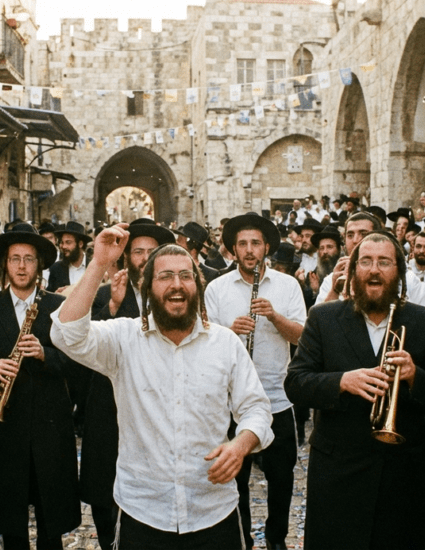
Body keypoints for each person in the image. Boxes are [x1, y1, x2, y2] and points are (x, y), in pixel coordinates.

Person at [52, 228, 273, 549]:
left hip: (213, 511)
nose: (176, 284)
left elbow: (257, 408)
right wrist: (99, 263)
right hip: (144, 513)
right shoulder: (124, 339)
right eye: (165, 276)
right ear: (147, 288)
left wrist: (241, 444)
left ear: (198, 286)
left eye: (185, 276)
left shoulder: (225, 343)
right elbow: (66, 335)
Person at [285, 231, 425, 549]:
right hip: (337, 474)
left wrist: (415, 376)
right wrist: (341, 381)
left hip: (400, 477)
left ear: (399, 272)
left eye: (384, 262)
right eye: (366, 262)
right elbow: (295, 383)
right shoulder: (323, 317)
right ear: (353, 270)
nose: (374, 270)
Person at [0, 225, 81, 550]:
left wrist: (46, 354)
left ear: (39, 265)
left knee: (51, 521)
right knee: (11, 525)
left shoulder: (59, 305)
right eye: (14, 258)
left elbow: (76, 362)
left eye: (28, 259)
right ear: (5, 264)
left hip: (49, 426)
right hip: (5, 429)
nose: (21, 266)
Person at [205, 213, 305, 550]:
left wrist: (275, 317)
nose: (249, 250)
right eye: (243, 244)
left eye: (256, 244)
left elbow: (302, 337)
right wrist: (229, 331)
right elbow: (204, 341)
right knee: (237, 480)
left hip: (277, 398)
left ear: (266, 248)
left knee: (281, 478)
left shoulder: (288, 286)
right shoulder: (216, 289)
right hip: (232, 402)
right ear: (233, 250)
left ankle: (276, 539)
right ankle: (242, 539)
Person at [82, 219, 174, 550]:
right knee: (104, 490)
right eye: (138, 251)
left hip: (157, 407)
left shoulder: (174, 294)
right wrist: (112, 308)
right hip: (109, 405)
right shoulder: (103, 294)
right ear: (127, 257)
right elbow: (82, 342)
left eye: (152, 251)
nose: (145, 258)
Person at [46, 221, 92, 293]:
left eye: (68, 242)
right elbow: (49, 295)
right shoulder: (55, 269)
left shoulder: (93, 267)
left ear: (80, 244)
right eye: (62, 242)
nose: (64, 246)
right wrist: (56, 295)